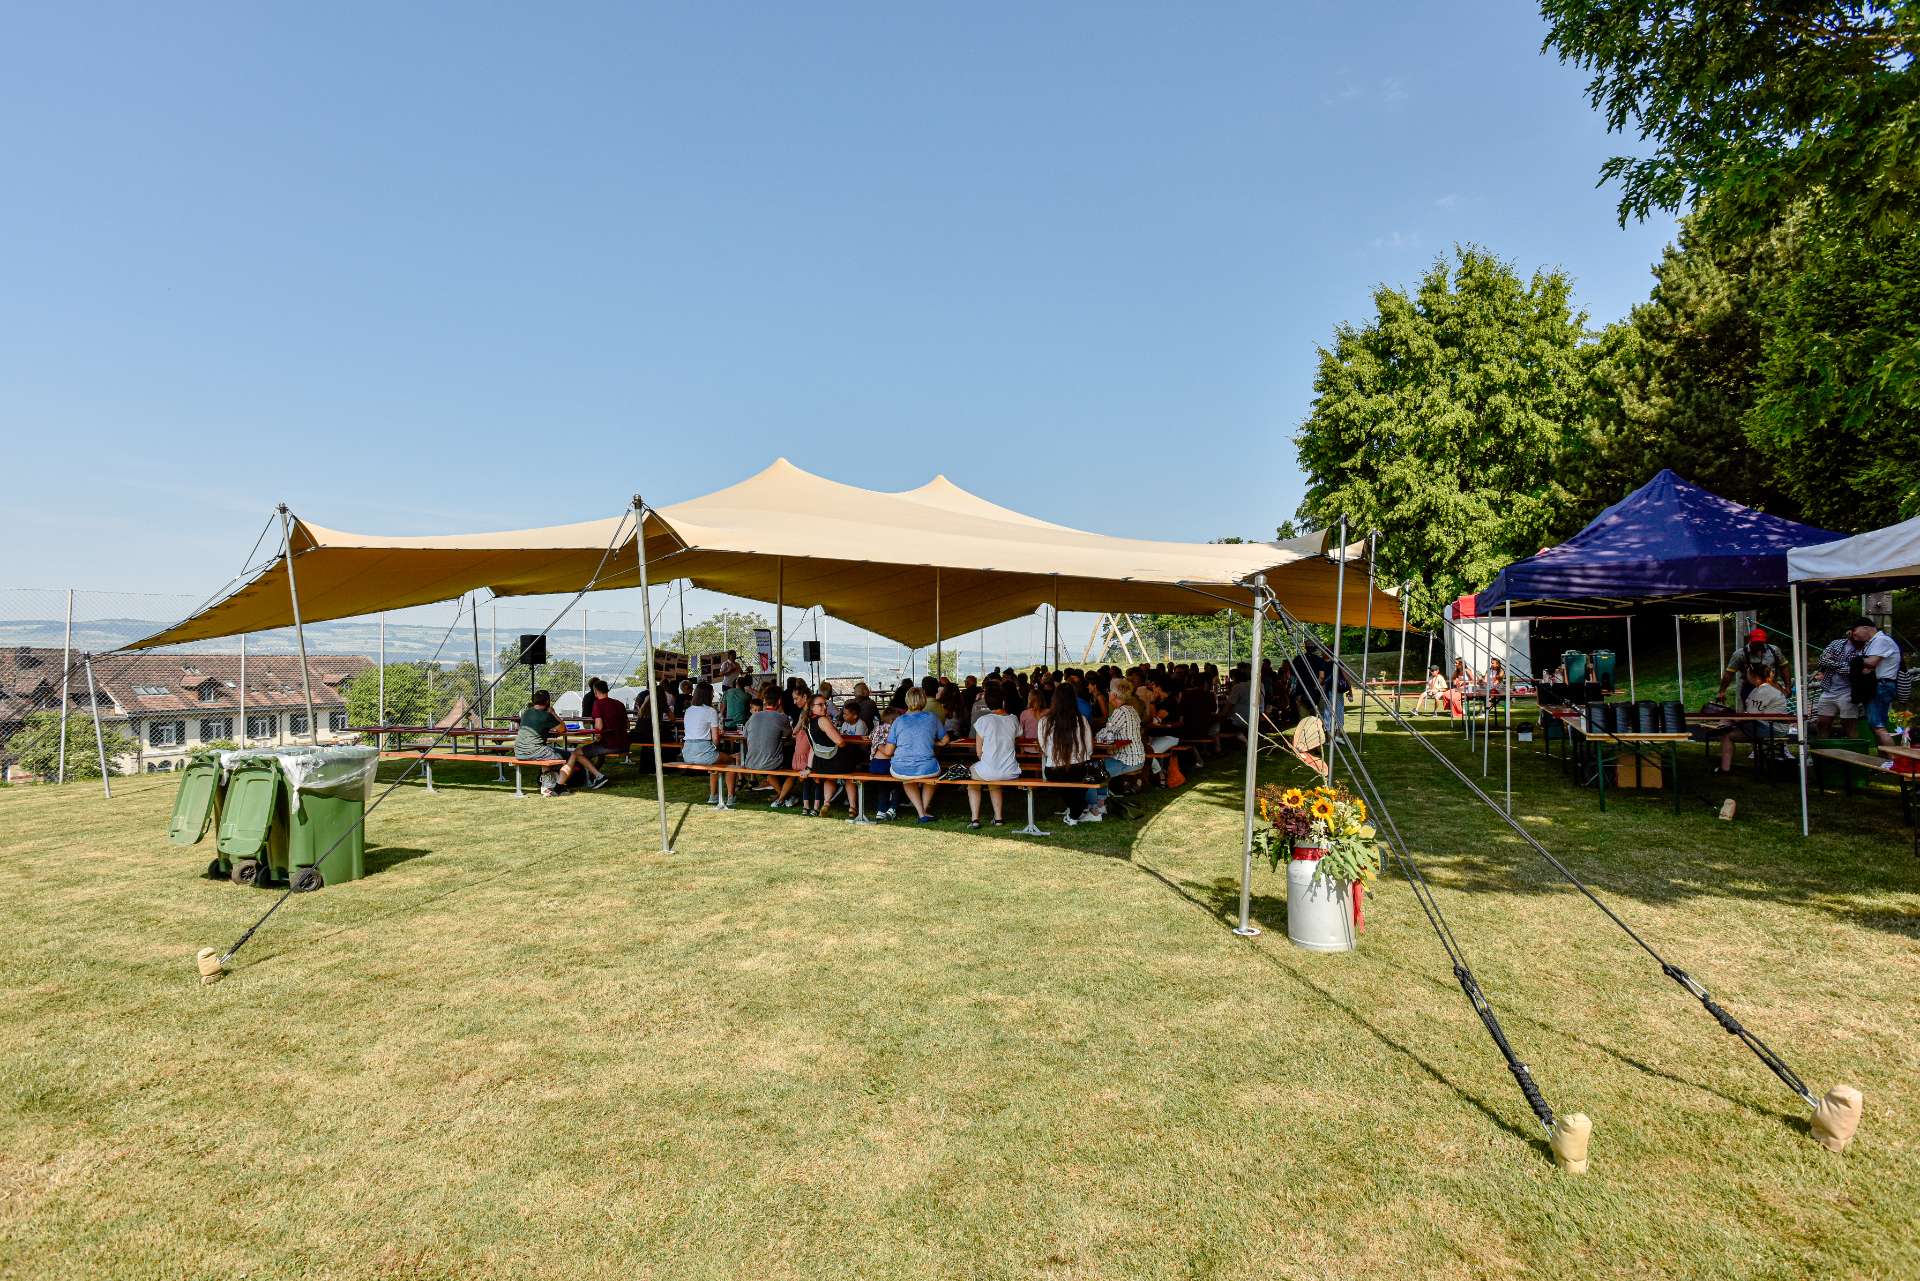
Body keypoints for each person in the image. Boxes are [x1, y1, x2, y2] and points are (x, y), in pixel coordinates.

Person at [516, 690, 607, 796]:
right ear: (547, 701)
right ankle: (559, 786)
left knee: (549, 751)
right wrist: (553, 713)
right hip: (536, 751)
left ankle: (549, 783)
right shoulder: (546, 716)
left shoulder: (527, 713)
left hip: (519, 751)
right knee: (571, 756)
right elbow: (562, 728)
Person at [1715, 663, 1790, 774]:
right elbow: (1752, 714)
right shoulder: (1761, 689)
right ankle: (1726, 767)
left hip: (1772, 728)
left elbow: (1751, 715)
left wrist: (1733, 719)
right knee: (1727, 727)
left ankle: (1725, 769)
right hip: (1770, 725)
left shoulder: (1763, 691)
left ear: (1754, 675)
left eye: (1748, 673)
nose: (1746, 675)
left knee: (1727, 734)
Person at [1038, 685, 1097, 825]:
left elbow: (1045, 749)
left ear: (1054, 699)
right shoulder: (1081, 720)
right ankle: (1076, 811)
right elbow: (1089, 748)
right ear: (1073, 699)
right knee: (1076, 786)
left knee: (1068, 788)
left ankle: (1075, 812)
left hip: (1054, 770)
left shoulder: (1044, 721)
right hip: (1079, 768)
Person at [888, 687, 948, 822]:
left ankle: (921, 813)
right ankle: (923, 811)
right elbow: (945, 740)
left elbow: (890, 749)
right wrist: (934, 743)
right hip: (928, 767)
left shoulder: (898, 721)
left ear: (907, 700)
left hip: (900, 768)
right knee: (932, 779)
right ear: (924, 700)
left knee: (907, 780)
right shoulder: (932, 718)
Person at [965, 687, 1021, 827]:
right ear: (1003, 701)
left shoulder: (983, 721)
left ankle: (975, 819)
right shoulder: (1013, 719)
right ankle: (998, 818)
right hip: (1010, 770)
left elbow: (979, 753)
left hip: (990, 769)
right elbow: (1018, 737)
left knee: (972, 782)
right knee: (994, 782)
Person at [681, 681, 735, 806]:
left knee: (715, 762)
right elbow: (716, 738)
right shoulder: (711, 711)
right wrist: (715, 746)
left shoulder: (688, 710)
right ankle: (731, 796)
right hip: (703, 751)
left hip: (687, 752)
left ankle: (713, 795)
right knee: (731, 762)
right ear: (708, 695)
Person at [1851, 617, 1903, 746]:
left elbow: (1871, 662)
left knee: (1878, 725)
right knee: (1876, 726)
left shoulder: (1881, 640)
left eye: (1855, 630)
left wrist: (1858, 660)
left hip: (1881, 685)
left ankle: (1893, 760)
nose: (1854, 634)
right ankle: (1885, 758)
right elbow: (1866, 668)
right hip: (1878, 685)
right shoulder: (1872, 642)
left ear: (1865, 628)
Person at [741, 688, 794, 807]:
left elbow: (744, 736)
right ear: (779, 701)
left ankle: (781, 796)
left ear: (764, 700)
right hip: (771, 763)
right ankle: (784, 796)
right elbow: (787, 736)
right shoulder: (781, 717)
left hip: (751, 762)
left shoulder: (753, 717)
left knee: (770, 762)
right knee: (794, 768)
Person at [1716, 628, 1790, 704]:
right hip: (1750, 688)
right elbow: (1729, 674)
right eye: (1756, 642)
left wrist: (1788, 686)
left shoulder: (1774, 650)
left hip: (1772, 685)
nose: (1758, 645)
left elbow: (1784, 667)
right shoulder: (1740, 654)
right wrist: (1722, 691)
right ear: (1750, 640)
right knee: (1755, 713)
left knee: (1775, 710)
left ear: (1765, 641)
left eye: (1760, 642)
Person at [1812, 631, 1863, 739]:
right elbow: (1822, 660)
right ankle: (1823, 751)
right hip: (1829, 689)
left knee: (1849, 724)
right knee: (1822, 723)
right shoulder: (1836, 643)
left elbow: (1853, 670)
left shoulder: (1864, 648)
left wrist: (1833, 664)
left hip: (1849, 690)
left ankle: (1855, 752)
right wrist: (1842, 665)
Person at [583, 678, 629, 778]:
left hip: (608, 745)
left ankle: (594, 775)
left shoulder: (598, 703)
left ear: (595, 691)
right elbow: (627, 725)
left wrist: (598, 737)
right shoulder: (619, 704)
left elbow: (599, 727)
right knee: (597, 753)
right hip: (624, 744)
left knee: (576, 753)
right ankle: (592, 774)